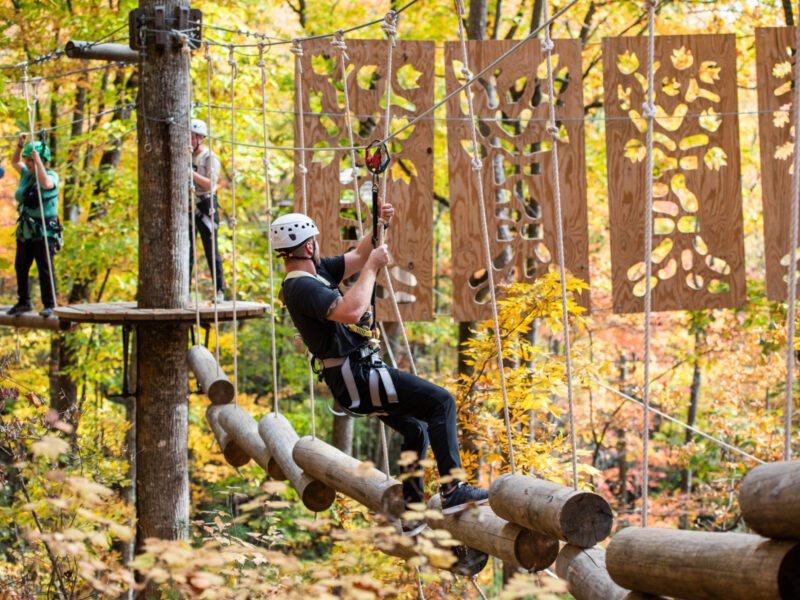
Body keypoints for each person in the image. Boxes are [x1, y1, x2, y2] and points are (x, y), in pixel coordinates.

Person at [270, 208, 489, 527]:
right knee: (442, 403)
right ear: (308, 247)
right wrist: (373, 266)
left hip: (357, 375)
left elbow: (360, 254)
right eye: (315, 241)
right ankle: (453, 489)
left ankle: (413, 513)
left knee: (415, 428)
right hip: (357, 376)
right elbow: (351, 309)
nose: (318, 246)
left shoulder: (317, 274)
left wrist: (379, 222)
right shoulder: (301, 287)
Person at [7, 133, 60, 317]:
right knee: (21, 266)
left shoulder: (52, 176)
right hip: (26, 230)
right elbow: (14, 162)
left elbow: (46, 184)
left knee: (44, 266)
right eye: (27, 160)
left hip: (44, 230)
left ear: (40, 160)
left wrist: (38, 163)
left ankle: (50, 304)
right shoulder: (25, 174)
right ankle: (24, 302)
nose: (27, 163)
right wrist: (20, 146)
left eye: (31, 160)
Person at [189, 118, 225, 302]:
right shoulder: (187, 155)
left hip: (206, 205)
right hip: (190, 205)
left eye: (192, 137)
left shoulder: (209, 157)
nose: (189, 140)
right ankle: (186, 290)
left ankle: (219, 290)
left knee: (211, 249)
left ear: (201, 138)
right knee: (187, 249)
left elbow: (211, 184)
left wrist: (191, 173)